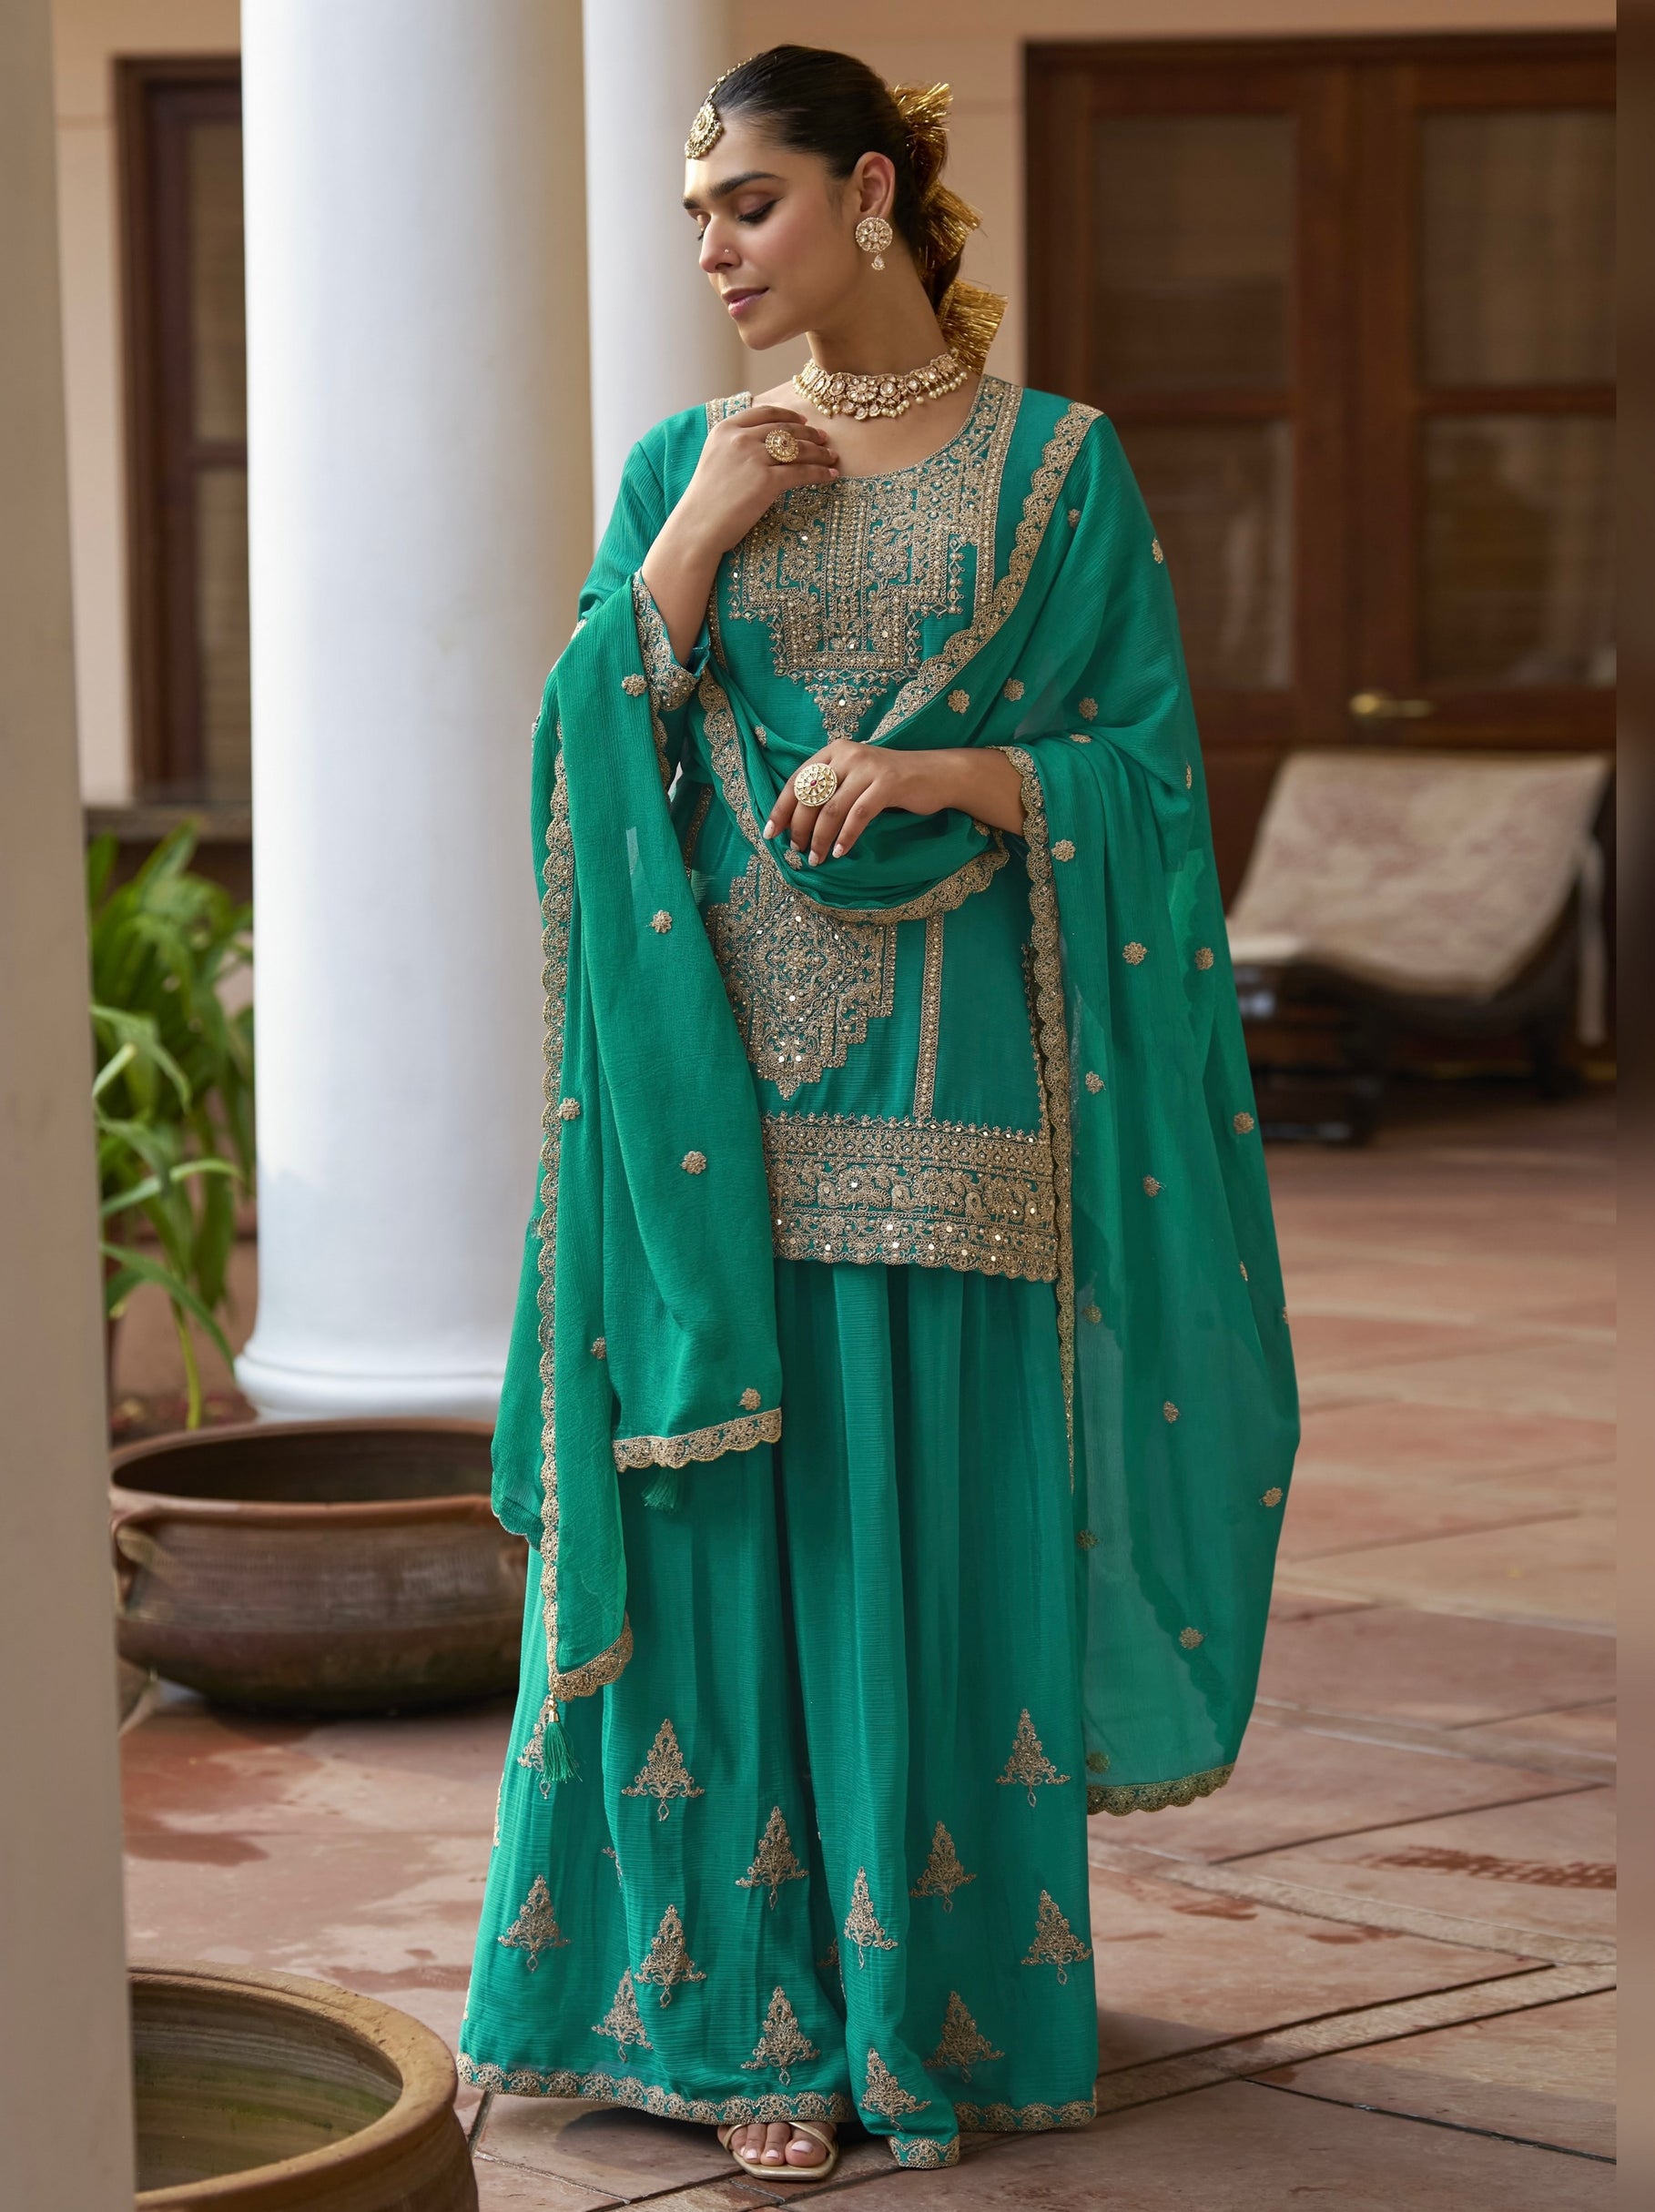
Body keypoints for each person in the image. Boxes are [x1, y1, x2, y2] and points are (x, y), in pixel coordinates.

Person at [457, 44, 1297, 2182]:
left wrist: (953, 775)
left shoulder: (1059, 469)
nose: (714, 251)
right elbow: (581, 751)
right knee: (721, 1547)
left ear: (867, 194)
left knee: (928, 1547)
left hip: (962, 1098)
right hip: (710, 1109)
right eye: (694, 217)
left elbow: (1148, 781)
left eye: (747, 202)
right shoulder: (684, 461)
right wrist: (696, 538)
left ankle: (917, 2006)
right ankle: (741, 2023)